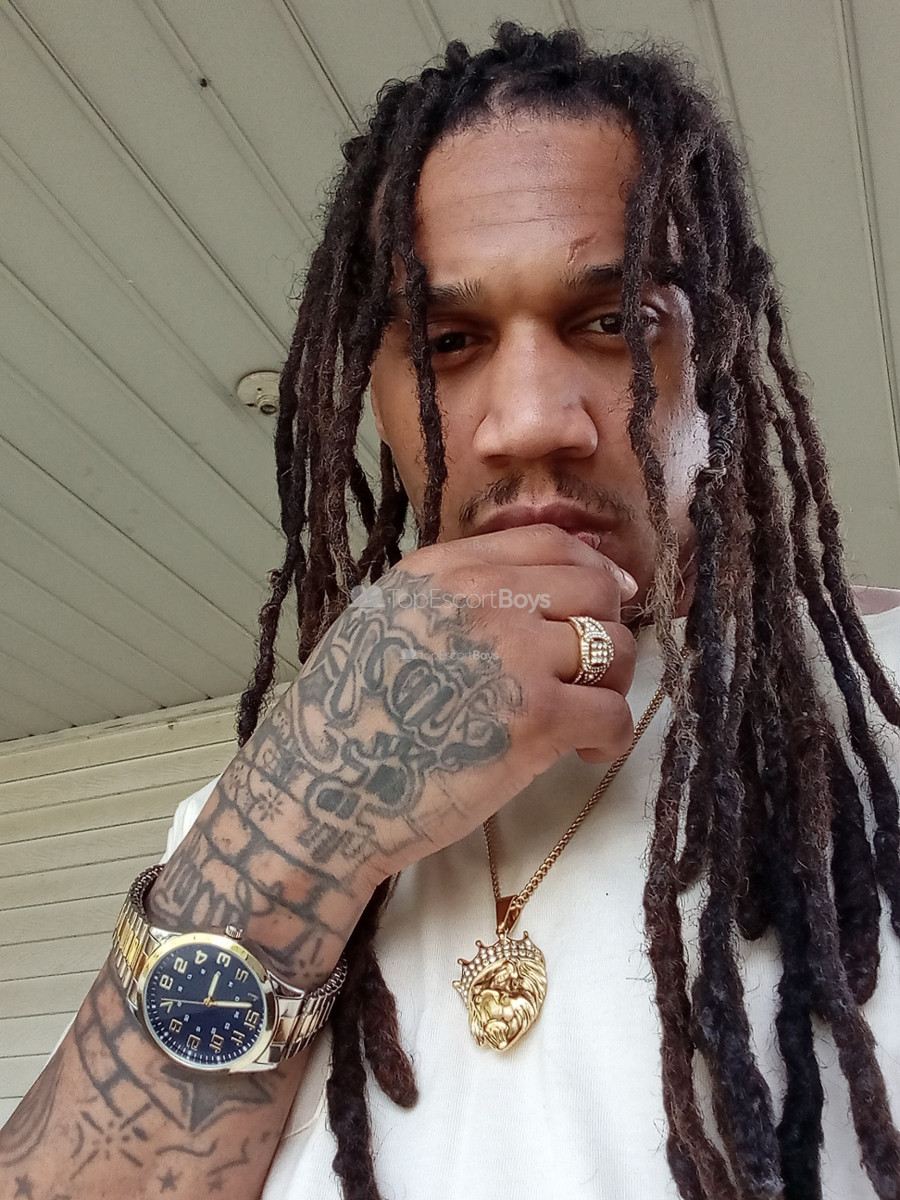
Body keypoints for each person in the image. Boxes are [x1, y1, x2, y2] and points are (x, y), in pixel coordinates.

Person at [2, 21, 900, 1200]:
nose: (527, 421)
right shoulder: (256, 803)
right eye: (449, 342)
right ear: (377, 395)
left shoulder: (880, 705)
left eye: (616, 321)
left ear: (722, 355)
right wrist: (300, 824)